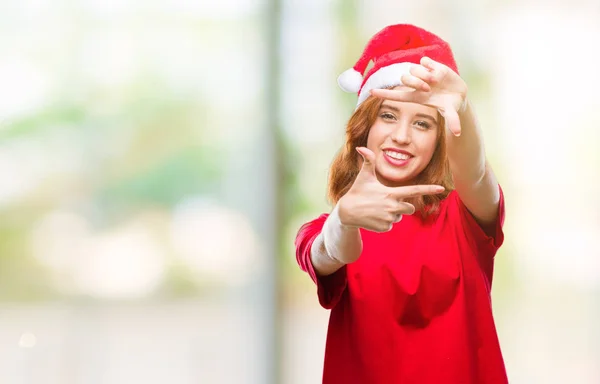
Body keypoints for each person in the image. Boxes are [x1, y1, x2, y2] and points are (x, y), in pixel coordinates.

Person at [294, 24, 508, 383]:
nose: (402, 136)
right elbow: (329, 253)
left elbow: (475, 174)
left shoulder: (464, 216)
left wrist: (464, 110)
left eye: (423, 123)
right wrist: (343, 220)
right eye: (388, 115)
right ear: (365, 125)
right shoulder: (328, 226)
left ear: (440, 139)